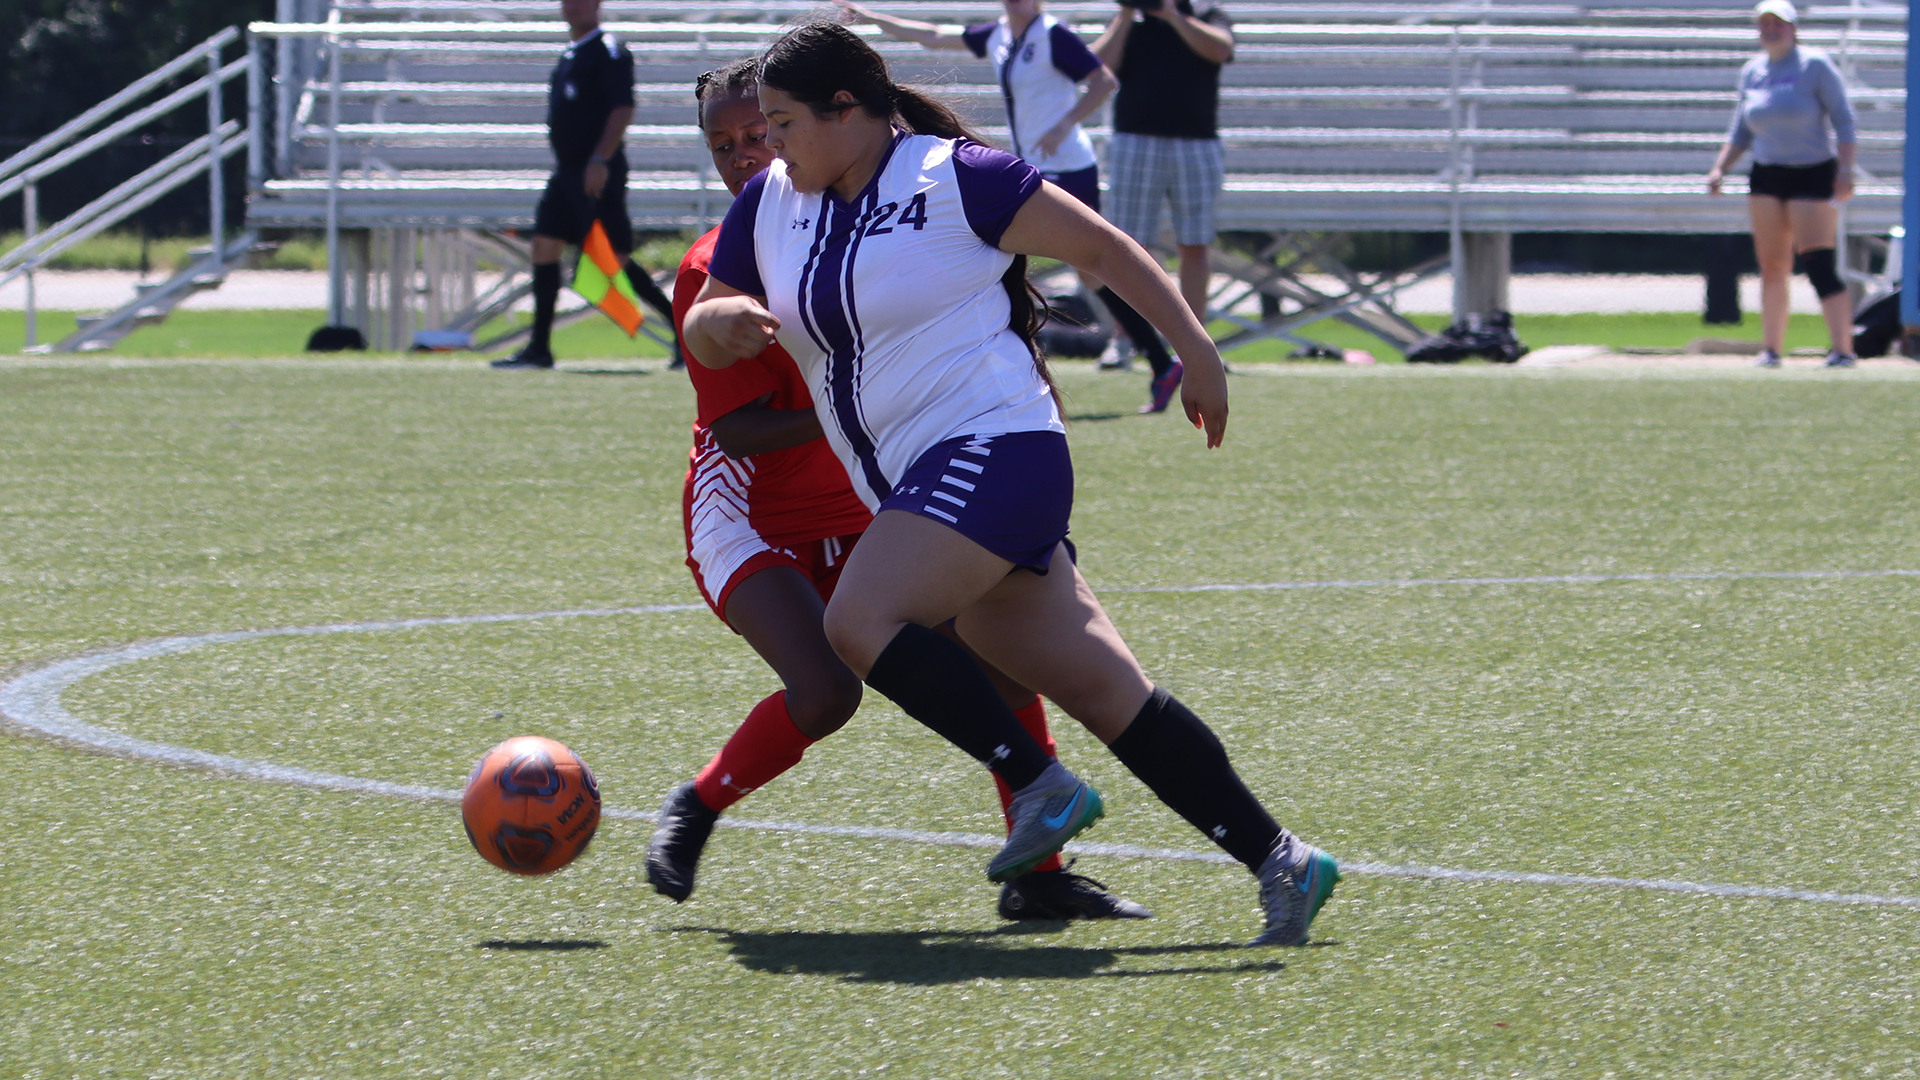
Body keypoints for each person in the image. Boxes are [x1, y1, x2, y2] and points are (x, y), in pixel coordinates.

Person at [683, 22, 1338, 946]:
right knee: (1110, 694)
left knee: (857, 621)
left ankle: (1038, 786)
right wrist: (718, 324)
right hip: (923, 485)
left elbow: (1104, 250)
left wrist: (1197, 353)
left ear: (846, 110)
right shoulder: (772, 205)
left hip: (1000, 449)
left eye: (784, 124)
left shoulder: (956, 177)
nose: (769, 147)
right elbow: (707, 321)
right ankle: (1284, 862)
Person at [647, 59, 1151, 923]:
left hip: (864, 492)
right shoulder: (717, 263)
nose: (744, 155)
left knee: (997, 651)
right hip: (751, 514)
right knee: (825, 692)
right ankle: (699, 802)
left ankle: (1039, 874)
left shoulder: (866, 212)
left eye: (759, 133)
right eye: (722, 145)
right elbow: (738, 432)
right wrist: (867, 399)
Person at [493, 0, 680, 370]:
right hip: (565, 171)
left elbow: (622, 108)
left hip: (595, 170)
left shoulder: (609, 51)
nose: (573, 6)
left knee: (614, 258)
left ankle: (685, 334)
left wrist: (599, 160)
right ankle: (539, 349)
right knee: (544, 245)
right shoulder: (571, 53)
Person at [1090, 0, 1235, 411]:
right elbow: (1098, 67)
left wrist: (1172, 15)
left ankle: (1196, 346)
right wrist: (1124, 15)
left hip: (1196, 142)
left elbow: (1220, 49)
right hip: (1135, 140)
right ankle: (1125, 339)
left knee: (1195, 244)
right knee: (1126, 246)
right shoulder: (1130, 20)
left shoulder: (1205, 16)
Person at [1706, 0, 1859, 369]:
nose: (1771, 30)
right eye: (1765, 23)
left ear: (1793, 28)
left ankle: (1843, 349)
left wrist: (1846, 170)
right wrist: (1720, 168)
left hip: (1812, 172)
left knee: (1818, 262)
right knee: (1772, 265)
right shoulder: (1753, 71)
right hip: (1767, 174)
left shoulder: (1815, 65)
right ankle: (1771, 349)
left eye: (1779, 23)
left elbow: (1843, 119)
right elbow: (1741, 130)